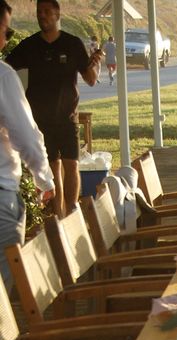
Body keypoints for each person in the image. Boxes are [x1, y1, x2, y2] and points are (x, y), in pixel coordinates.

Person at [5, 0, 101, 218]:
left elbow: (90, 79)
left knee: (71, 165)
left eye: (47, 12)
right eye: (39, 12)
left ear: (58, 14)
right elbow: (6, 67)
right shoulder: (29, 46)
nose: (42, 16)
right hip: (39, 120)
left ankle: (72, 212)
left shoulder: (72, 44)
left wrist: (96, 63)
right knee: (53, 168)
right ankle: (59, 216)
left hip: (67, 117)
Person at [0, 0, 55, 291]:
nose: (6, 39)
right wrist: (44, 178)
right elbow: (26, 136)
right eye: (6, 32)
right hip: (1, 199)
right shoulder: (3, 76)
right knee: (2, 306)